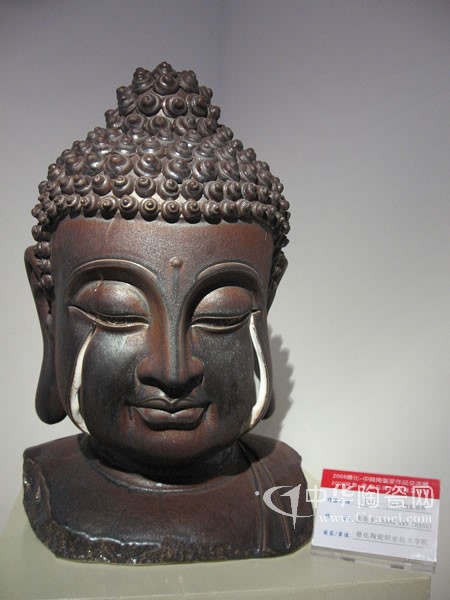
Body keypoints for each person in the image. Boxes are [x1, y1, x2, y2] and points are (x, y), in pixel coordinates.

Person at [24, 62, 313, 563]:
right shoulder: (50, 479)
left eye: (221, 316)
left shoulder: (280, 490)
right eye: (117, 314)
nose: (173, 371)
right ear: (47, 308)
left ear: (265, 303)